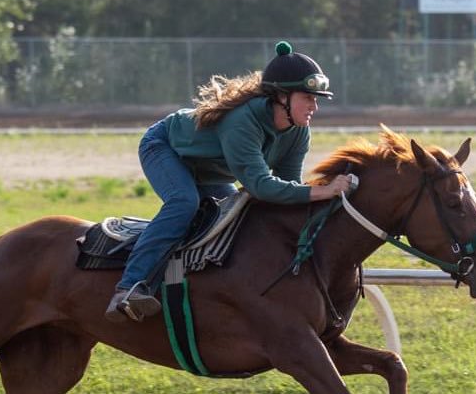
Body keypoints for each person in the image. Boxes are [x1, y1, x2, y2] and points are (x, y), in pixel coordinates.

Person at [106, 41, 355, 323]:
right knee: (184, 203)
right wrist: (324, 190)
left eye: (317, 99)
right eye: (308, 98)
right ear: (282, 96)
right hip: (164, 147)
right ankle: (128, 289)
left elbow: (285, 187)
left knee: (237, 217)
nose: (315, 107)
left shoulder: (298, 132)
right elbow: (261, 186)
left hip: (209, 171)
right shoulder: (242, 121)